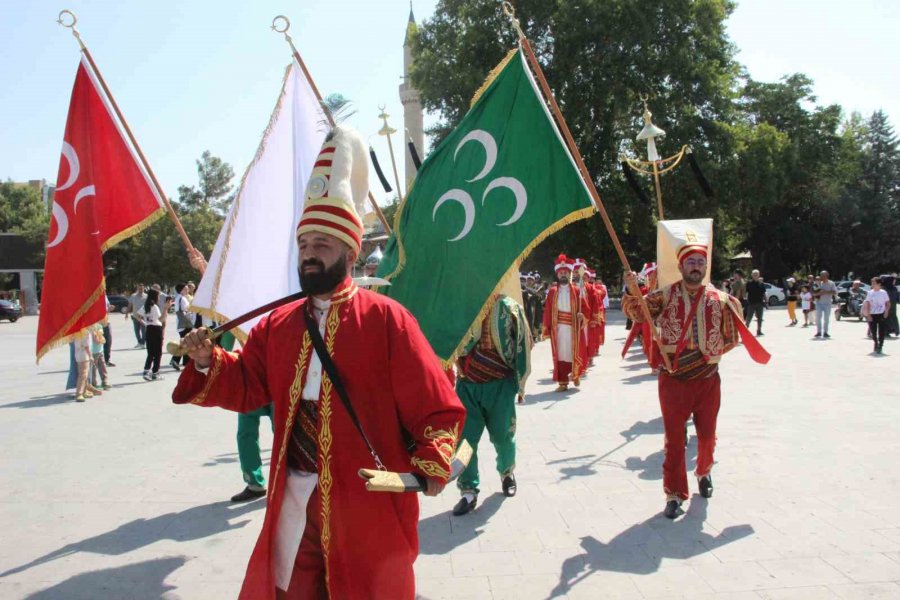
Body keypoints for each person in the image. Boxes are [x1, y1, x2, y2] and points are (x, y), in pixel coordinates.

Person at [172, 125, 465, 600]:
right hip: (293, 499)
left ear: (350, 251)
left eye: (321, 247)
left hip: (366, 500)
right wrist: (208, 361)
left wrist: (431, 461)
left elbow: (435, 406)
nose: (309, 256)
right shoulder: (280, 324)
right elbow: (247, 384)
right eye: (304, 246)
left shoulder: (389, 320)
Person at [622, 230, 769, 519]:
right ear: (680, 266)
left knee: (707, 437)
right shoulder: (665, 295)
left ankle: (703, 472)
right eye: (691, 262)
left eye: (701, 261)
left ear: (706, 266)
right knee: (674, 441)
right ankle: (674, 493)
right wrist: (630, 290)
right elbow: (638, 312)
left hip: (707, 379)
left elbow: (733, 336)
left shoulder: (722, 299)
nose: (696, 266)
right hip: (673, 380)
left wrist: (710, 352)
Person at [452, 294, 531, 516]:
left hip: (499, 386)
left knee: (503, 436)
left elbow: (523, 343)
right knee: (465, 441)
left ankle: (507, 474)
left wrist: (519, 382)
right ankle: (468, 490)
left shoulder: (509, 308)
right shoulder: (459, 305)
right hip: (468, 386)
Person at [541, 255, 588, 392]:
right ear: (557, 274)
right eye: (561, 273)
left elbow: (585, 308)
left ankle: (576, 374)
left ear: (570, 274)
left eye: (565, 273)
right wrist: (547, 328)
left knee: (574, 352)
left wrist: (582, 316)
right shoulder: (552, 292)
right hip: (559, 328)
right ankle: (562, 382)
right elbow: (548, 311)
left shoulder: (578, 290)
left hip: (573, 328)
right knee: (561, 354)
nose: (563, 275)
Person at [140, 289, 171, 381]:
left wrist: (145, 322)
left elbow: (136, 315)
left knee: (150, 352)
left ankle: (146, 371)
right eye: (158, 296)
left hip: (149, 329)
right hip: (156, 329)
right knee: (158, 353)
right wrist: (166, 308)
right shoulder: (154, 307)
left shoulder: (146, 306)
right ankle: (155, 373)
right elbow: (161, 319)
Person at [864, 277, 892, 354]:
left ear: (879, 284)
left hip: (881, 314)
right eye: (872, 283)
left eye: (874, 283)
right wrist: (868, 314)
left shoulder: (883, 293)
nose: (872, 285)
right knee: (873, 331)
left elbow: (888, 303)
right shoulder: (870, 293)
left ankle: (880, 345)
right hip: (872, 314)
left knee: (881, 331)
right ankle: (875, 342)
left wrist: (886, 312)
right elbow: (867, 303)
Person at [170, 283, 194, 371]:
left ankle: (182, 361)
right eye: (186, 289)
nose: (187, 290)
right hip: (185, 323)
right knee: (186, 342)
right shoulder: (182, 298)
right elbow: (187, 309)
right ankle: (177, 360)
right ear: (181, 290)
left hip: (181, 323)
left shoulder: (178, 298)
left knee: (185, 342)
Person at [814, 270, 838, 338]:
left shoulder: (831, 283)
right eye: (821, 275)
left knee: (826, 319)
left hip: (827, 303)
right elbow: (813, 293)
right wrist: (818, 294)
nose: (822, 277)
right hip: (819, 303)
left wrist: (825, 292)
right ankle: (818, 332)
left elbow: (835, 292)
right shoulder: (818, 283)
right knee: (818, 318)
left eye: (824, 276)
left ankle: (825, 332)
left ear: (827, 276)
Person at [88, 322, 111, 391]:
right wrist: (99, 340)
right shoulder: (91, 326)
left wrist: (102, 340)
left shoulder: (99, 325)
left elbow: (101, 336)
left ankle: (105, 382)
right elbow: (94, 338)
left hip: (100, 349)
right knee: (94, 368)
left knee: (102, 366)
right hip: (93, 350)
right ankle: (93, 384)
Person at [744, 269, 766, 336]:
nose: (755, 276)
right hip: (751, 303)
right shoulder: (749, 283)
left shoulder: (761, 284)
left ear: (759, 275)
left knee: (760, 318)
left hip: (760, 303)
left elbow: (764, 293)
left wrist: (765, 301)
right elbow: (745, 292)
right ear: (752, 275)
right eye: (754, 275)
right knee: (749, 318)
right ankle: (745, 331)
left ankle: (759, 331)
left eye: (757, 274)